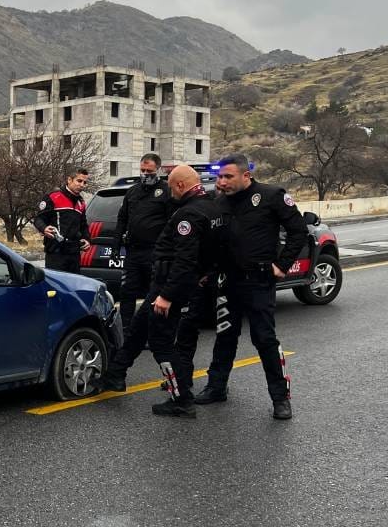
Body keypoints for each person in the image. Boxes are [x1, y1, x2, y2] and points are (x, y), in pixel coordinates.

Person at [107, 166, 226, 418]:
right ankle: (115, 375)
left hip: (170, 286)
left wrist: (167, 295)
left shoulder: (189, 215)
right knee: (139, 326)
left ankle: (181, 398)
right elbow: (215, 249)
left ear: (180, 186)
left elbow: (184, 260)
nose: (170, 192)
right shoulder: (213, 208)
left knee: (161, 342)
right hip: (171, 284)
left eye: (172, 187)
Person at [195, 154, 306, 420]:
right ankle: (216, 386)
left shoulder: (271, 196)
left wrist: (281, 265)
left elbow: (298, 231)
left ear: (246, 176)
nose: (222, 182)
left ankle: (280, 398)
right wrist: (205, 271)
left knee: (265, 340)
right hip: (227, 280)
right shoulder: (219, 202)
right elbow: (212, 241)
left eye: (227, 176)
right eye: (220, 177)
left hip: (258, 281)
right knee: (224, 336)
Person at [107, 153, 173, 336]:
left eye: (149, 171)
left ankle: (153, 332)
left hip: (155, 253)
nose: (145, 174)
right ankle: (127, 331)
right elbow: (122, 220)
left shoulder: (166, 191)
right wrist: (115, 246)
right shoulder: (132, 191)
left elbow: (171, 222)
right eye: (142, 170)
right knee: (127, 292)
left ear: (158, 170)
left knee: (153, 294)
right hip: (133, 253)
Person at [32, 167, 92, 273]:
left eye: (85, 182)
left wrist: (87, 239)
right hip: (56, 252)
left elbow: (83, 225)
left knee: (73, 286)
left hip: (74, 253)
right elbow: (38, 219)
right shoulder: (53, 197)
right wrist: (44, 228)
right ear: (69, 180)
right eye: (79, 181)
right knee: (55, 287)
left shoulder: (81, 203)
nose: (82, 185)